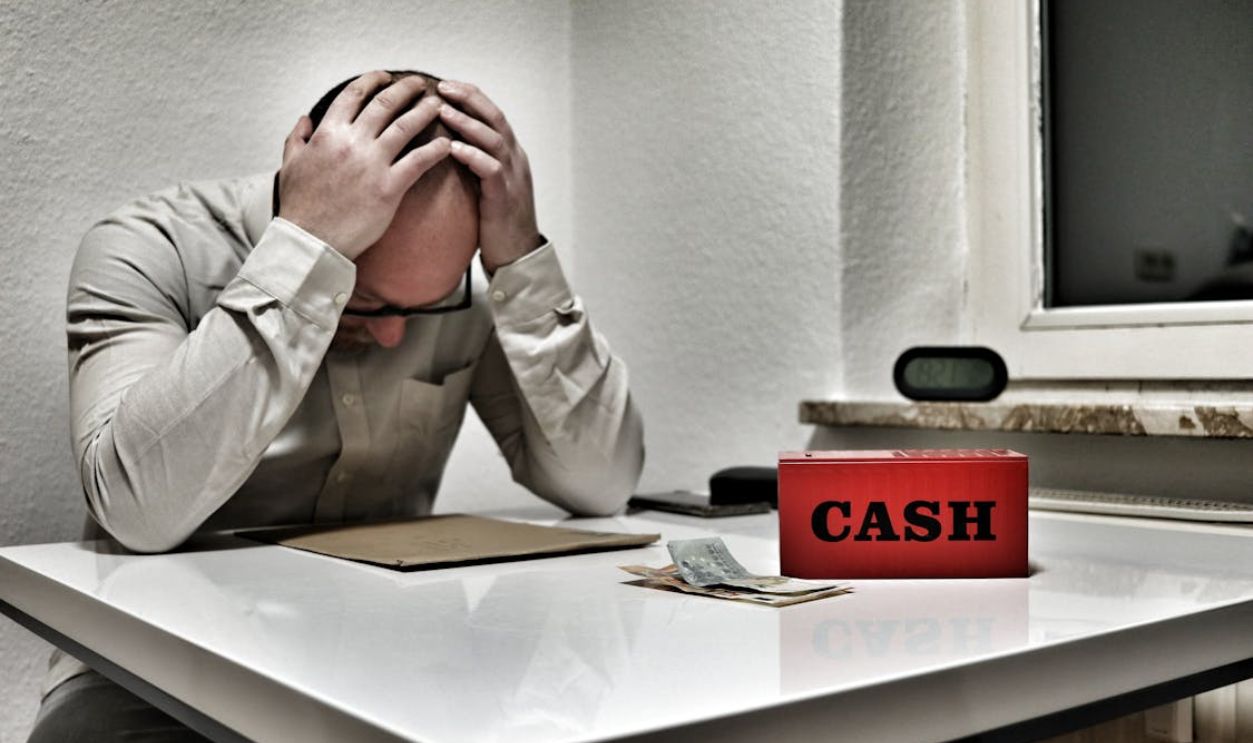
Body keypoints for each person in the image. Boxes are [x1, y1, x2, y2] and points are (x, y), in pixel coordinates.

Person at [27, 69, 644, 741]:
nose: (391, 334)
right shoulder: (151, 250)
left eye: (422, 306)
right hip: (149, 671)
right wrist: (305, 251)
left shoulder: (457, 289)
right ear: (301, 155)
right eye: (362, 295)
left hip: (397, 665)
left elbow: (600, 480)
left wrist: (521, 262)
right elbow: (136, 511)